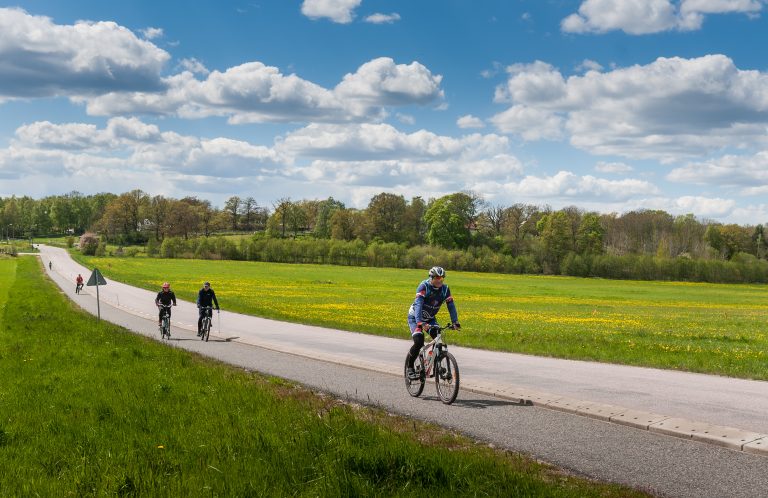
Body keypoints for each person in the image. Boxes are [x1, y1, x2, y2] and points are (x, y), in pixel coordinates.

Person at [405, 266, 461, 380]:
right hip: (415, 317)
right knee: (419, 341)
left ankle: (435, 364)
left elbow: (451, 306)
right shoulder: (424, 286)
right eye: (437, 278)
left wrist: (455, 322)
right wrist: (420, 322)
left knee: (438, 337)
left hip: (430, 318)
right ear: (431, 277)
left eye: (442, 278)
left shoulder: (445, 289)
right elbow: (419, 305)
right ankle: (410, 367)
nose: (440, 280)